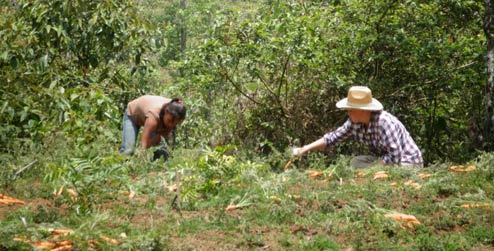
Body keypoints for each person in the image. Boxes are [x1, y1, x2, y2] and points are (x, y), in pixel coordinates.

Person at [292, 86, 423, 168]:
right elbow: (332, 138)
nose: (348, 111)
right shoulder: (353, 123)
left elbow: (395, 156)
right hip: (387, 162)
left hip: (408, 162)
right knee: (356, 162)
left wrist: (372, 171)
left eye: (351, 109)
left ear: (364, 110)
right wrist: (304, 149)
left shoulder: (384, 122)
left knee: (370, 171)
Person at [119, 95, 186, 161]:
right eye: (169, 121)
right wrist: (141, 160)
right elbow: (144, 145)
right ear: (166, 111)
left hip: (152, 115)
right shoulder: (153, 117)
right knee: (128, 151)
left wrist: (153, 141)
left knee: (162, 155)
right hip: (132, 115)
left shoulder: (176, 110)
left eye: (175, 123)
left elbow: (159, 139)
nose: (171, 125)